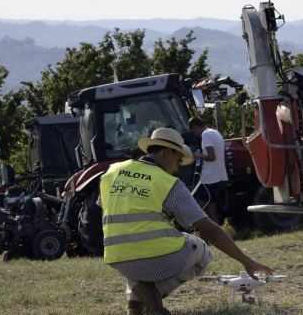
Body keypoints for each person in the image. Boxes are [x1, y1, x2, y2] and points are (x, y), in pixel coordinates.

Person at [99, 127, 273, 315]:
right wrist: (246, 261)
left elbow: (111, 207)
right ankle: (152, 298)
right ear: (167, 153)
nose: (177, 168)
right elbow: (209, 230)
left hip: (116, 256)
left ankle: (136, 306)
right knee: (201, 249)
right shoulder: (167, 183)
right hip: (149, 254)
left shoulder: (112, 172)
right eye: (178, 160)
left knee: (139, 263)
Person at [188, 117, 228, 224]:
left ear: (196, 127)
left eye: (193, 130)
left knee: (199, 210)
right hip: (219, 177)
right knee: (210, 209)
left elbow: (211, 157)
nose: (194, 133)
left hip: (208, 179)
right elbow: (221, 157)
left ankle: (205, 237)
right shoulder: (216, 132)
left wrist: (197, 155)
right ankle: (217, 236)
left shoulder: (205, 135)